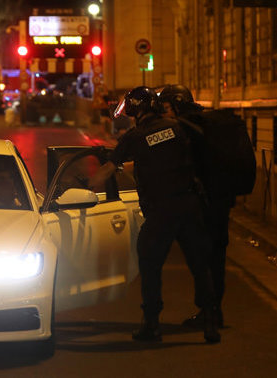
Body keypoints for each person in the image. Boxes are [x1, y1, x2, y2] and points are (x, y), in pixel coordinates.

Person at [88, 86, 220, 343]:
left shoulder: (135, 137)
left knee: (149, 263)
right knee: (199, 265)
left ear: (136, 110)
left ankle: (152, 324)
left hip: (161, 211)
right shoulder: (177, 127)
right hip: (189, 205)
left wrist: (85, 184)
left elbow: (108, 169)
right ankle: (210, 323)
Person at [158, 84, 233, 328]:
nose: (165, 113)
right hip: (221, 201)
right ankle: (215, 312)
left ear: (178, 104)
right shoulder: (207, 123)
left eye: (167, 107)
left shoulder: (183, 129)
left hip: (202, 205)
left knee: (201, 262)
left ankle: (208, 313)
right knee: (216, 260)